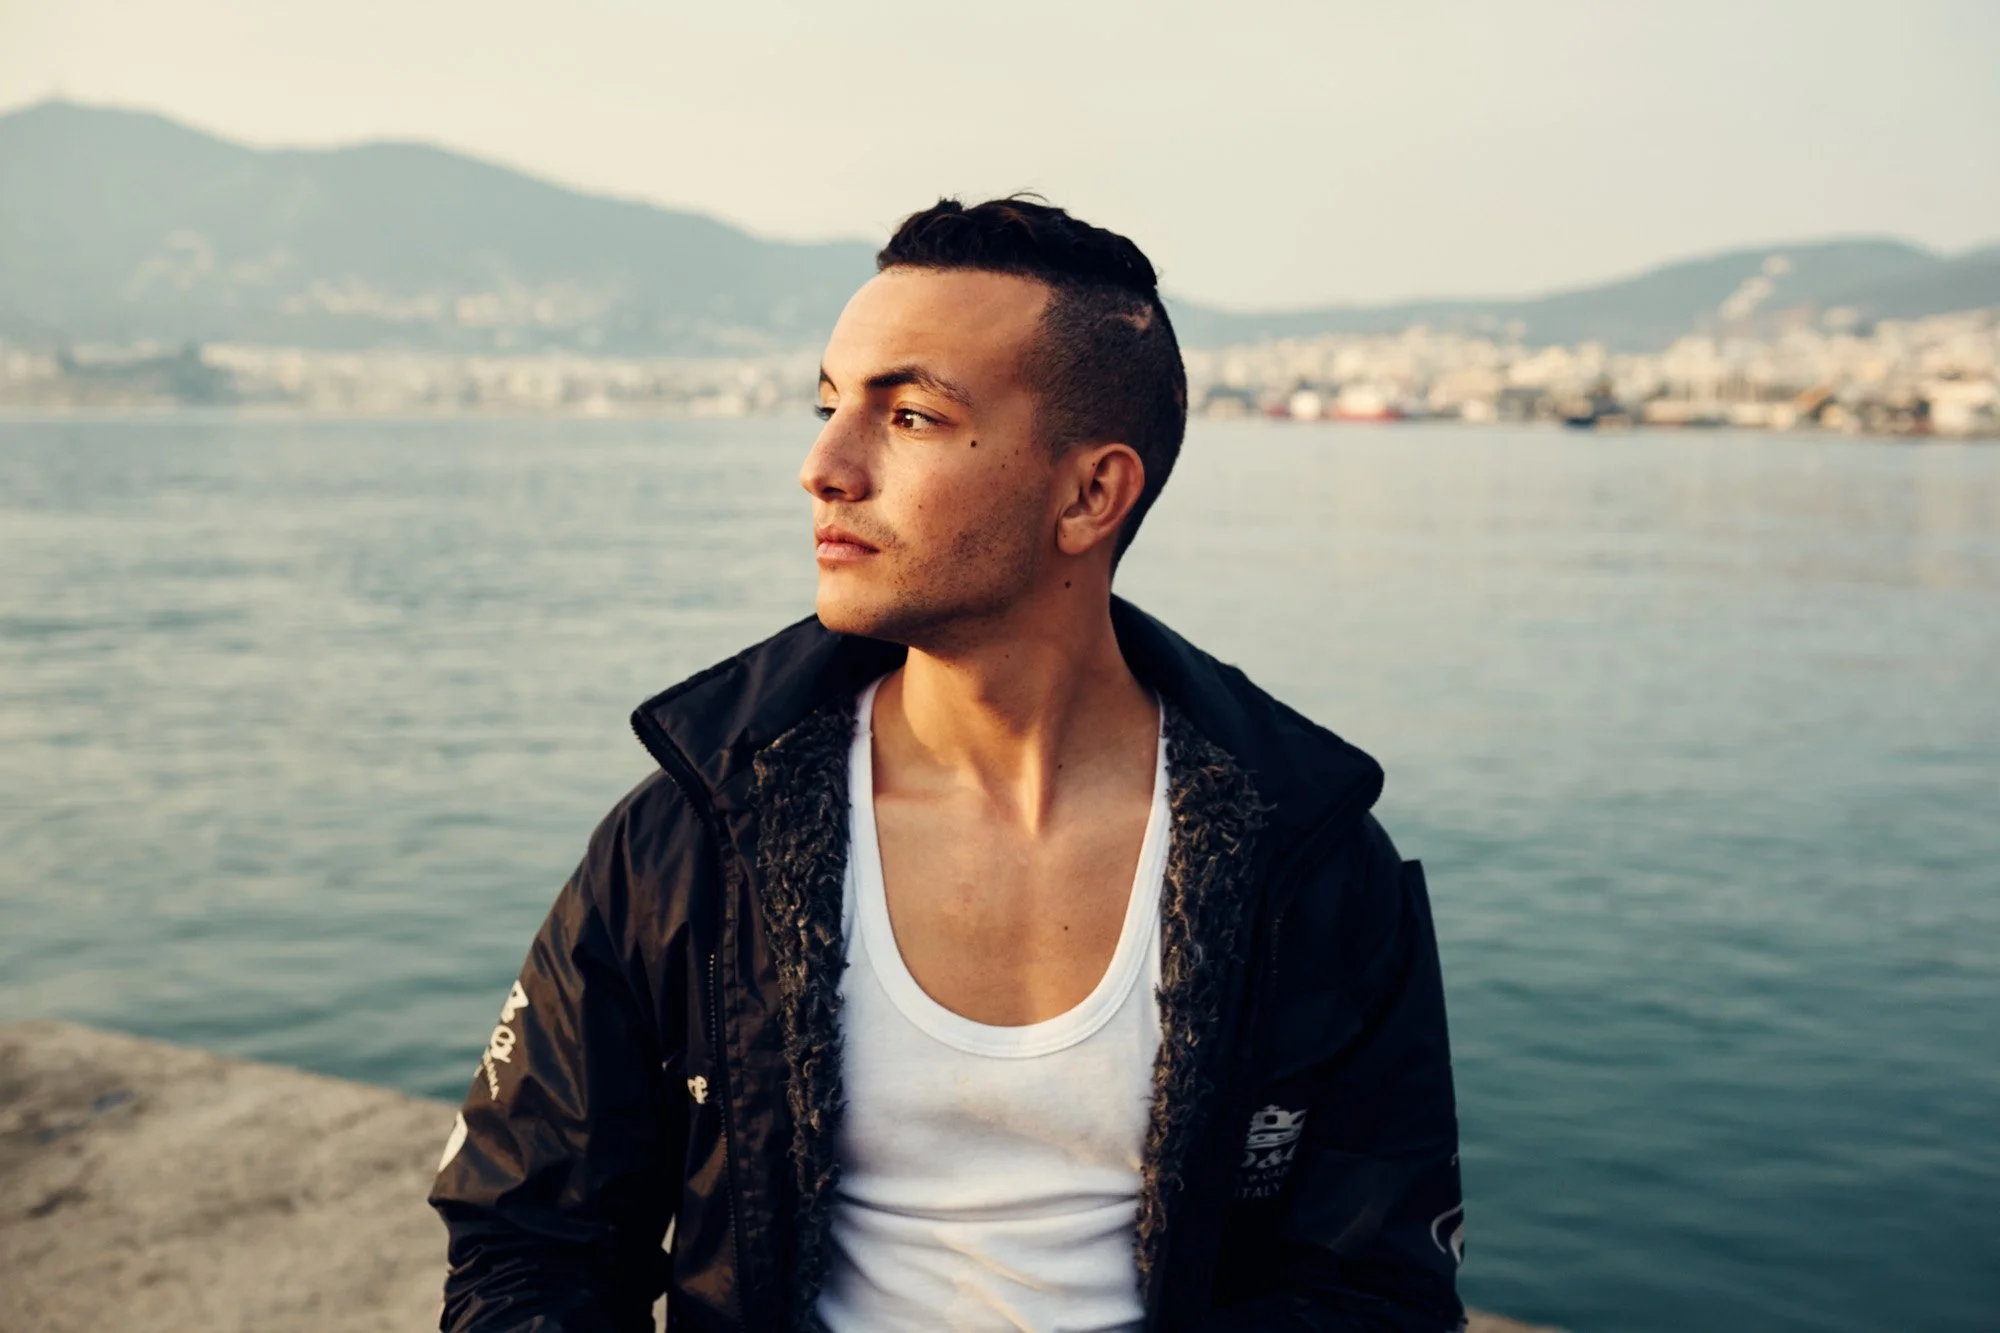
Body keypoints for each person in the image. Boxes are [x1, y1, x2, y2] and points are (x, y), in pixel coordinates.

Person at [430, 197, 1466, 1332]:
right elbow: (530, 1241)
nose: (822, 466)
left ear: (1089, 493)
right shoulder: (694, 832)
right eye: (829, 405)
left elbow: (1373, 1287)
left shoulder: (1307, 863)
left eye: (910, 415)